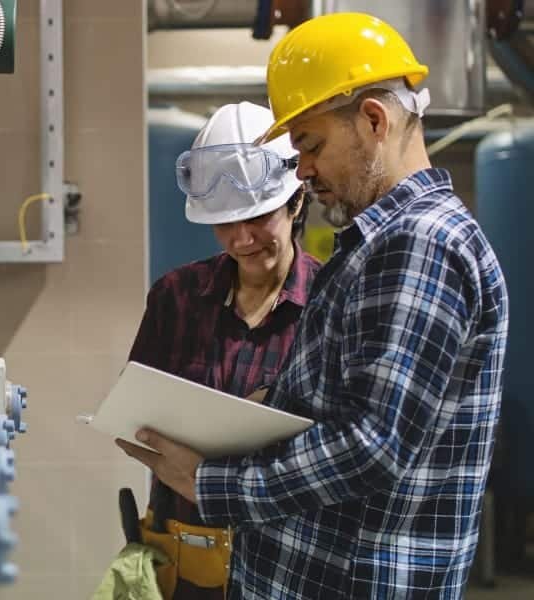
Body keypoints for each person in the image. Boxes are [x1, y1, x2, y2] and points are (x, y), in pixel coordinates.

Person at [118, 12, 509, 599]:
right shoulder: (377, 245)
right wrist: (269, 406)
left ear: (374, 120)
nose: (302, 170)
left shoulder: (420, 243)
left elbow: (371, 445)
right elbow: (351, 407)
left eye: (311, 144)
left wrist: (210, 482)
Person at [127, 101, 320, 600]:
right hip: (182, 551)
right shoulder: (176, 297)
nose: (241, 239)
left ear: (295, 200)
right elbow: (136, 417)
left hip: (289, 558)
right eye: (224, 223)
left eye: (257, 217)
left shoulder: (331, 302)